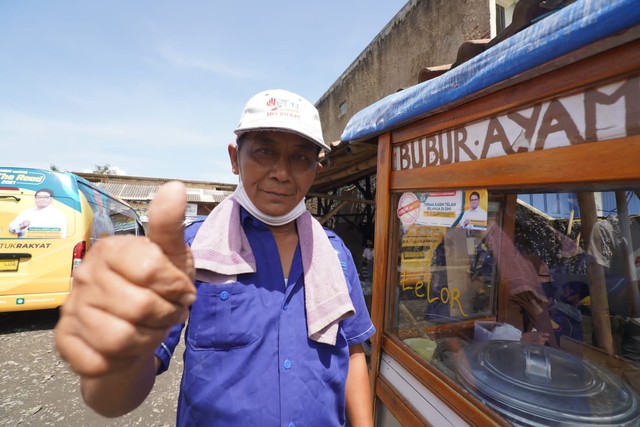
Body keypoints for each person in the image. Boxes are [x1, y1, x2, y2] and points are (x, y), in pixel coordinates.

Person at [54, 89, 375, 427]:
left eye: (300, 158)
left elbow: (353, 354)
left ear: (316, 169)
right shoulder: (191, 250)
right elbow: (113, 398)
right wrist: (118, 355)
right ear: (235, 158)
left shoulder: (335, 252)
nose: (281, 172)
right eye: (264, 151)